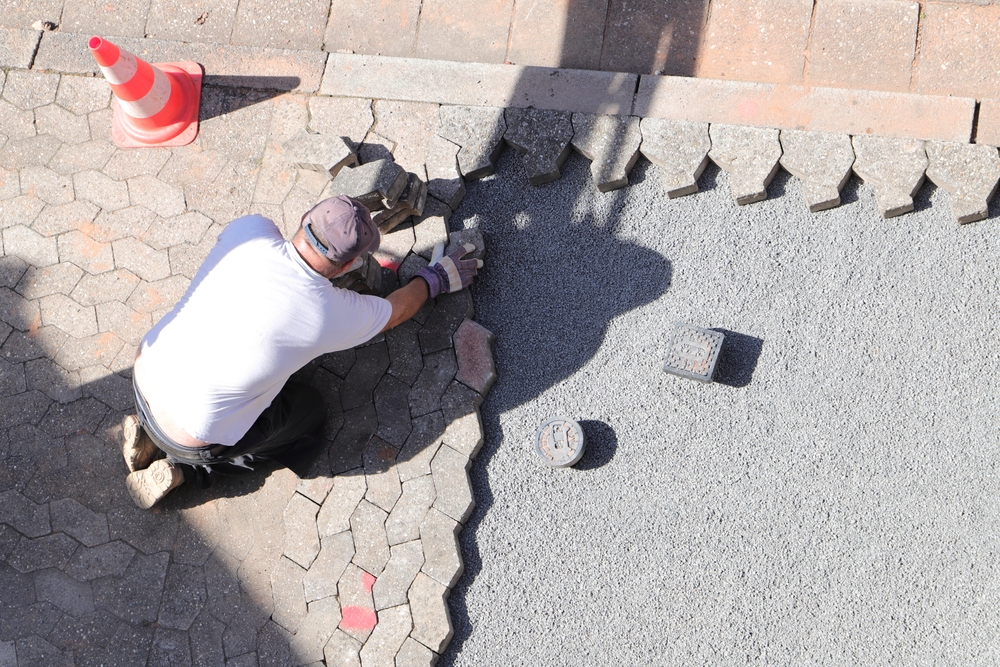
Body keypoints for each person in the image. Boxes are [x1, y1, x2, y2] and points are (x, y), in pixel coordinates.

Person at [122, 195, 482, 509]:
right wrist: (434, 278)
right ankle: (184, 471)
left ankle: (146, 434)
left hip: (145, 374)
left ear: (303, 218)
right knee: (307, 412)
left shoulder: (249, 230)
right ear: (347, 266)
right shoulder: (325, 314)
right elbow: (394, 312)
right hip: (190, 435)